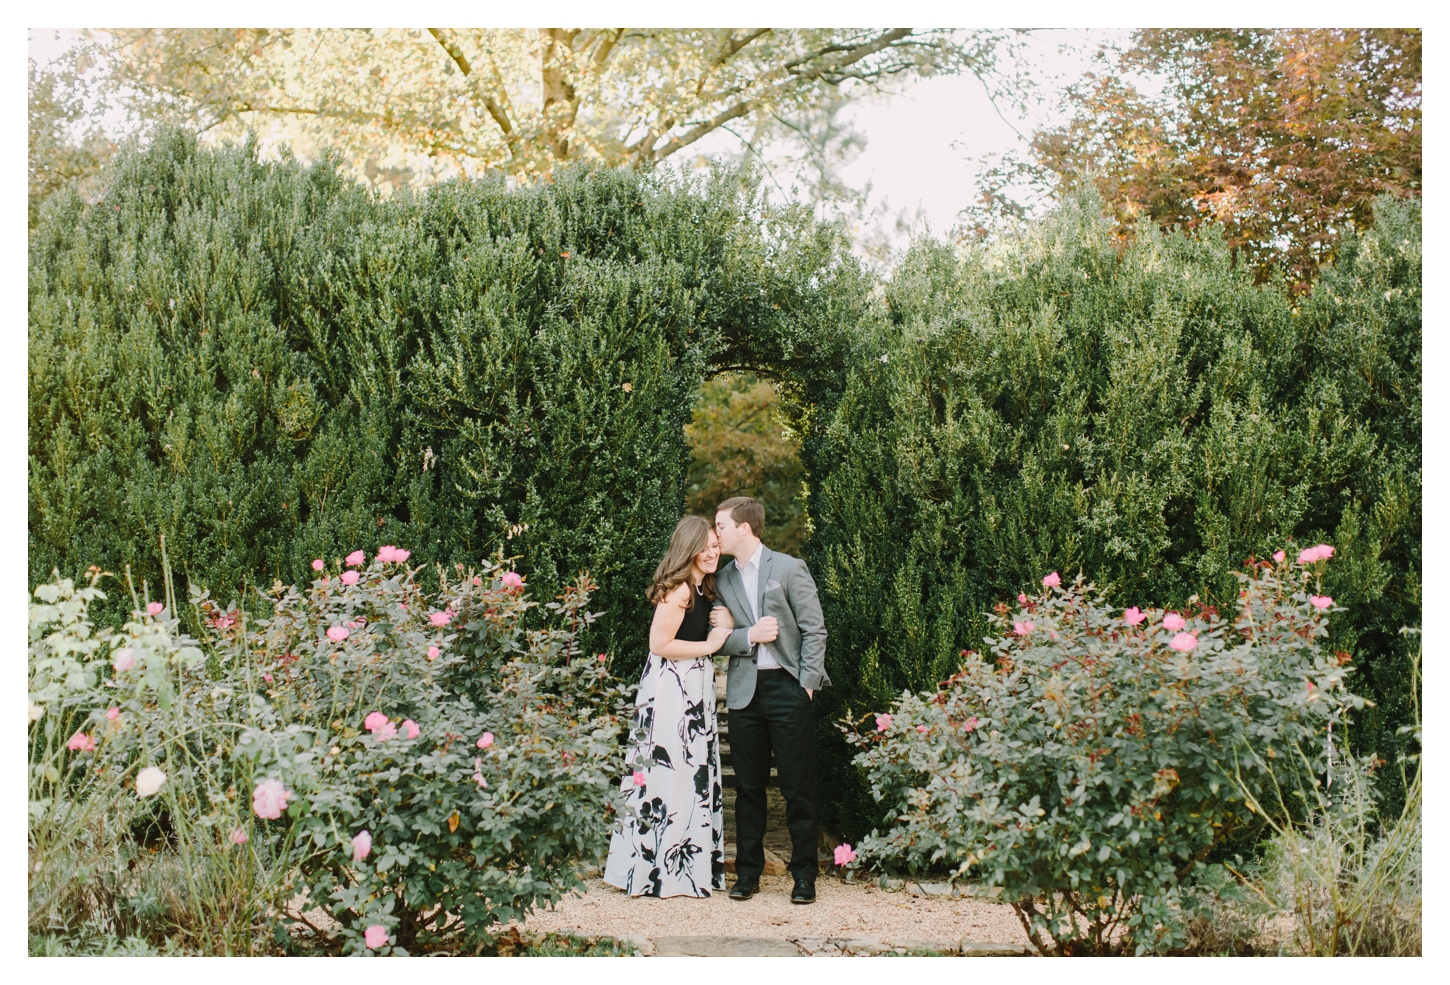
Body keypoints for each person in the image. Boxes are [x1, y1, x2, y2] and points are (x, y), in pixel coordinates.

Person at [603, 516, 733, 897]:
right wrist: (710, 647)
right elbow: (658, 644)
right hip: (672, 691)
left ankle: (684, 869)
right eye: (704, 547)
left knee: (690, 770)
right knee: (670, 768)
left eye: (715, 545)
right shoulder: (679, 589)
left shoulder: (702, 586)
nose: (712, 553)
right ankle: (654, 870)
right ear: (688, 549)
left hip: (693, 689)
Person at [710, 496, 830, 904]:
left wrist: (807, 683)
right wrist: (749, 636)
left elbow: (815, 630)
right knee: (748, 789)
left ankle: (804, 877)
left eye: (721, 526)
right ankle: (747, 874)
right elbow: (720, 640)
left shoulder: (789, 568)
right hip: (745, 693)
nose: (716, 533)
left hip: (788, 688)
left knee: (798, 786)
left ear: (745, 528)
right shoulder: (721, 579)